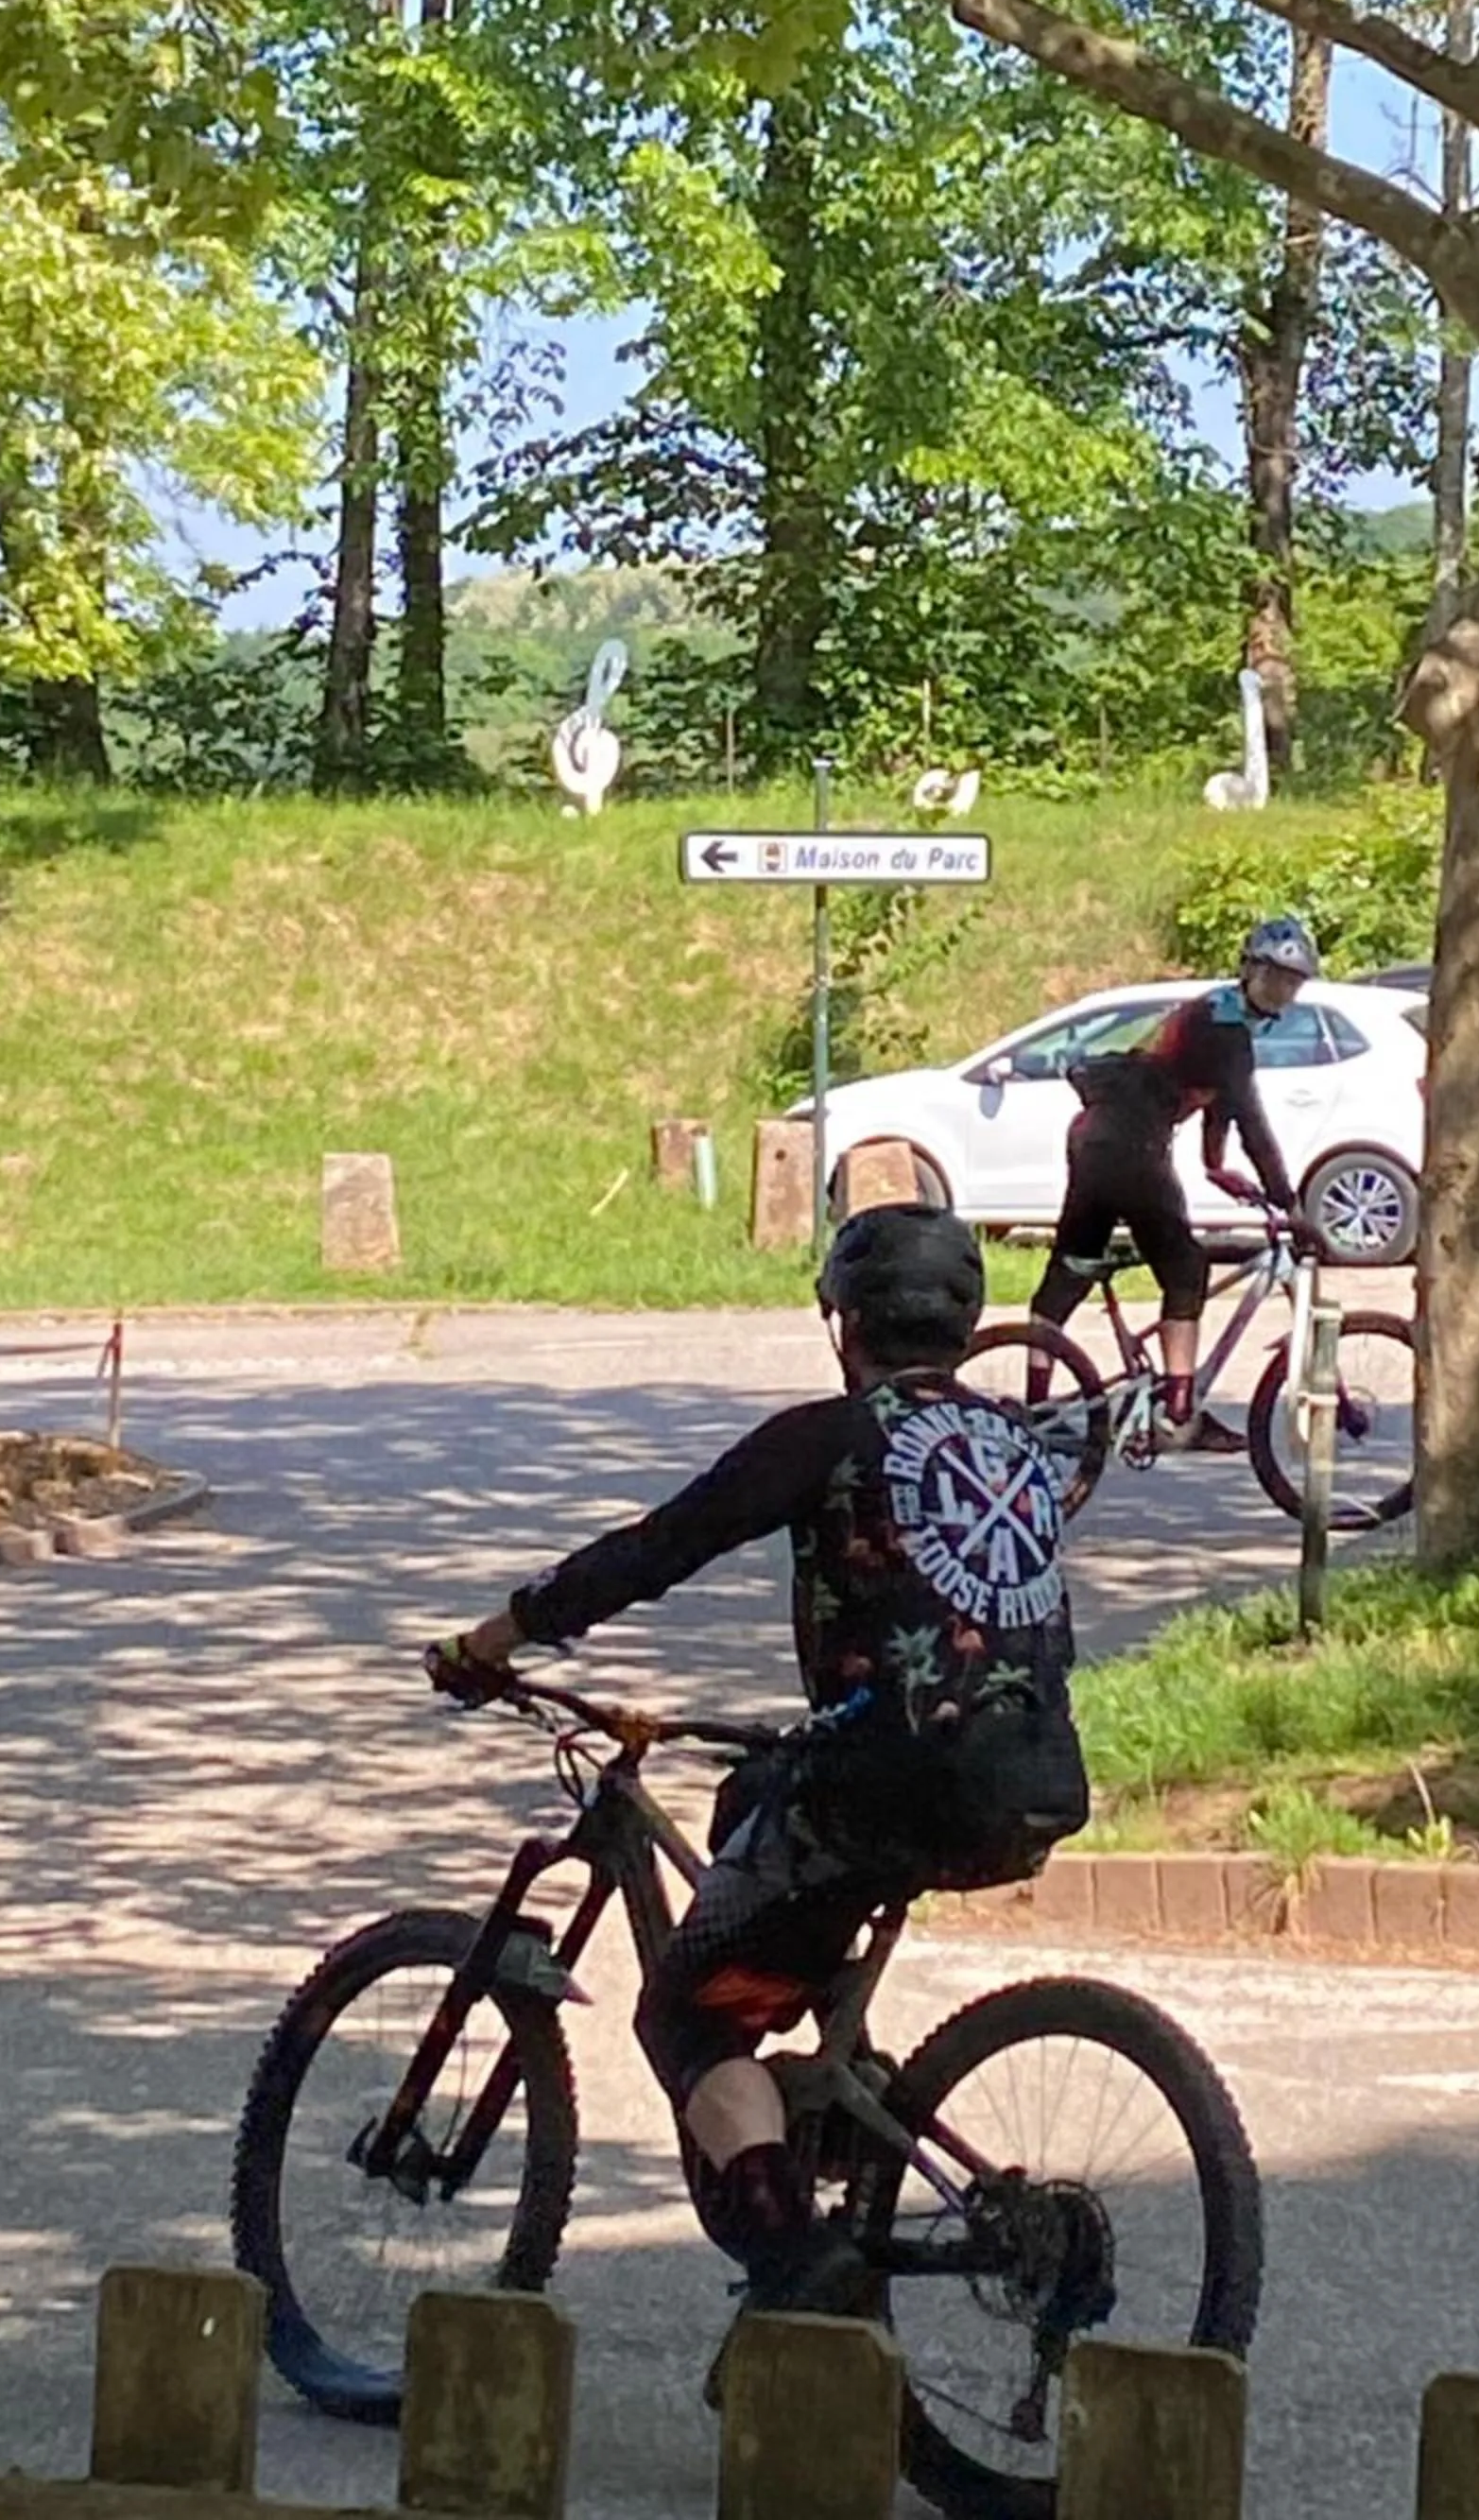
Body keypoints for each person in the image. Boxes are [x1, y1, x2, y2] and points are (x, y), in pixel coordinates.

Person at [425, 1202, 1089, 2361]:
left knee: (687, 2011)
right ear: (966, 1323)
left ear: (845, 1324)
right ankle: (836, 2104)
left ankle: (795, 2255)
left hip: (888, 1778)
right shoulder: (1018, 1448)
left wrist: (501, 1637)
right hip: (1028, 1780)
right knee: (759, 1811)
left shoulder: (831, 1435)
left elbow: (659, 1548)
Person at [1027, 914, 1321, 1455]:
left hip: (1093, 1139)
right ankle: (1179, 1415)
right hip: (1134, 1148)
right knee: (1187, 1267)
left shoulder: (1213, 1011)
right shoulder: (1229, 1033)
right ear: (1250, 969)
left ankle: (1036, 1407)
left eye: (1292, 983)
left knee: (1069, 1271)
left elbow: (1214, 1100)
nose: (1283, 990)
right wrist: (1291, 1206)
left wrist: (1214, 1166)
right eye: (1275, 977)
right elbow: (1250, 1121)